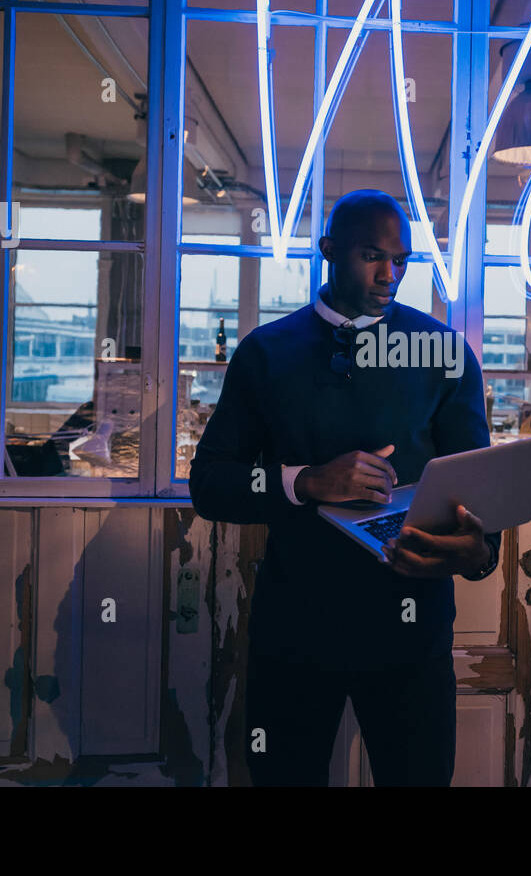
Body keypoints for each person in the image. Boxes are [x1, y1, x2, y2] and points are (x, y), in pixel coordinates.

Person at [188, 189, 500, 787]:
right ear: (329, 252)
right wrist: (305, 482)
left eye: (401, 260)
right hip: (297, 630)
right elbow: (211, 483)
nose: (391, 275)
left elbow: (479, 493)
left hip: (413, 632)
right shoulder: (267, 353)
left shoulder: (445, 354)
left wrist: (481, 553)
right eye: (371, 256)